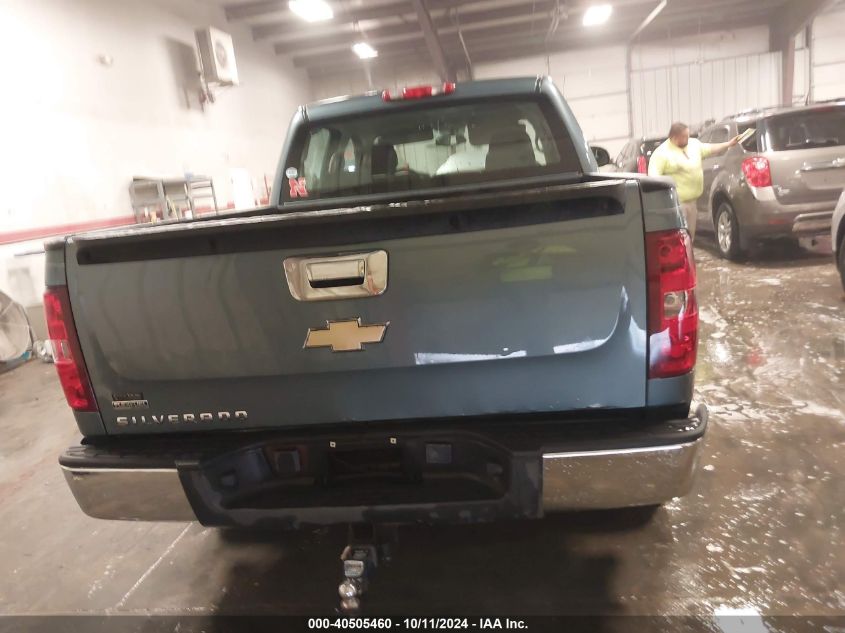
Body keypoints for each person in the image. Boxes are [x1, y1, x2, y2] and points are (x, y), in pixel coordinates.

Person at [648, 122, 740, 240]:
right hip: (676, 205)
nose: (688, 139)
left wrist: (728, 144)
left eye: (688, 135)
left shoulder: (693, 145)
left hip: (692, 202)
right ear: (674, 138)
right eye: (684, 137)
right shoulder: (661, 154)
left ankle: (689, 250)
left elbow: (710, 148)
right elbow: (653, 178)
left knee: (690, 237)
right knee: (679, 237)